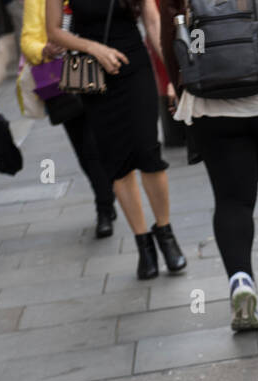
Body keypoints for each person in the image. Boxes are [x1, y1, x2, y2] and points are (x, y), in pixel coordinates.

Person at [160, 0, 258, 332]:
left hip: (209, 100)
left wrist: (185, 79)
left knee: (232, 200)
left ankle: (241, 281)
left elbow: (169, 37)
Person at [46, 0, 186, 279]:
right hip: (95, 77)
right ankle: (143, 243)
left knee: (149, 154)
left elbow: (153, 23)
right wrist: (93, 47)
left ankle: (166, 234)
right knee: (117, 162)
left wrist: (175, 75)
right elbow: (53, 31)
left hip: (135, 68)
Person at [21, 0, 116, 238]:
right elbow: (28, 40)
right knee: (86, 148)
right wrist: (43, 50)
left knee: (106, 142)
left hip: (106, 66)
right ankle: (104, 204)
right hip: (64, 76)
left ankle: (108, 195)